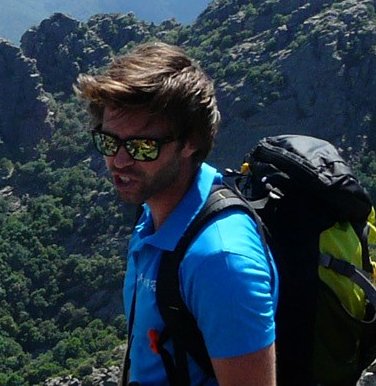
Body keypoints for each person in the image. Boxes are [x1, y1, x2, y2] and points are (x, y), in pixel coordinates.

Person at [76, 42, 277, 386]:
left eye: (142, 146)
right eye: (109, 142)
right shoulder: (157, 213)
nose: (119, 161)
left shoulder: (221, 262)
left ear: (190, 143)